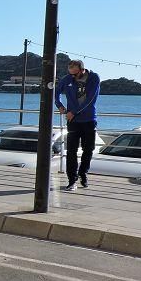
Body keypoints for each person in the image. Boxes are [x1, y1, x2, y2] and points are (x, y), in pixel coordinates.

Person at [54, 59, 101, 190]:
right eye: (70, 73)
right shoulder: (67, 79)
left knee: (88, 149)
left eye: (75, 74)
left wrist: (73, 112)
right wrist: (60, 106)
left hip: (89, 119)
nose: (72, 76)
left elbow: (91, 98)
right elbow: (56, 92)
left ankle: (83, 173)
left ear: (82, 70)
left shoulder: (93, 77)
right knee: (71, 151)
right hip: (73, 121)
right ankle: (71, 180)